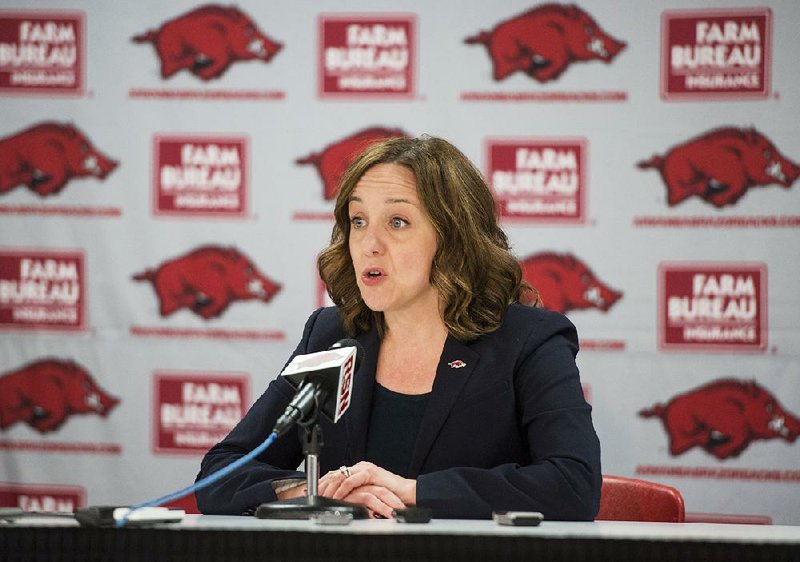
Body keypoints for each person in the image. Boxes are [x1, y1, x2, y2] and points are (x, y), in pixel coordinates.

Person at [196, 135, 601, 520]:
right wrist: (318, 489)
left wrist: (411, 491)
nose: (369, 243)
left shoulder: (527, 340)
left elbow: (572, 484)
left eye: (398, 222)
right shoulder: (331, 334)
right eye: (358, 220)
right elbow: (221, 473)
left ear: (454, 238)